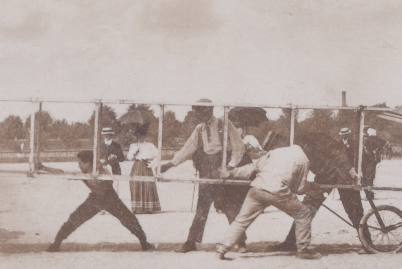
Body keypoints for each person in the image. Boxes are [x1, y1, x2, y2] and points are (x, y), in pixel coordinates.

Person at [158, 99, 246, 253]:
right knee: (202, 207)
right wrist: (170, 164)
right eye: (196, 110)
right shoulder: (199, 128)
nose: (197, 114)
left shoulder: (224, 124)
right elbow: (188, 148)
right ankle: (191, 242)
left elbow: (239, 146)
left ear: (208, 110)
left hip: (222, 169)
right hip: (207, 169)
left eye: (199, 110)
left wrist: (230, 167)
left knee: (229, 207)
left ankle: (241, 242)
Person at [216, 139, 322, 260]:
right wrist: (312, 186)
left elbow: (253, 167)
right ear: (307, 147)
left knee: (241, 220)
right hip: (277, 192)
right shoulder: (304, 160)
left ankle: (221, 250)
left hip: (257, 188)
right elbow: (300, 188)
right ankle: (303, 250)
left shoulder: (276, 152)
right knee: (304, 213)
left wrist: (232, 172)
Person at [270, 131, 364, 252]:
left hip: (342, 175)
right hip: (324, 178)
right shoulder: (291, 150)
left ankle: (367, 243)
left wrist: (349, 169)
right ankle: (291, 242)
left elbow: (336, 150)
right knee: (306, 208)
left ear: (280, 141)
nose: (275, 150)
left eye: (274, 146)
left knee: (353, 209)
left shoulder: (308, 138)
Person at [47, 150, 155, 252]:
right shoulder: (85, 172)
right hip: (95, 198)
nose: (78, 165)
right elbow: (62, 172)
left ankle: (144, 243)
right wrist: (44, 168)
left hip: (110, 198)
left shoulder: (102, 170)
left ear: (88, 163)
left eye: (80, 163)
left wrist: (98, 176)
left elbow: (108, 181)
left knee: (129, 219)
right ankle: (56, 244)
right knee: (74, 218)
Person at [126, 123, 161, 214]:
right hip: (137, 166)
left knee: (148, 185)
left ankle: (149, 208)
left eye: (142, 135)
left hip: (146, 166)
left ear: (145, 135)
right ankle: (137, 208)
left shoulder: (150, 145)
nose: (140, 137)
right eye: (138, 135)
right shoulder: (133, 146)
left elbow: (158, 156)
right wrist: (134, 152)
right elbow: (129, 158)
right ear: (136, 136)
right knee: (135, 184)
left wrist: (152, 164)